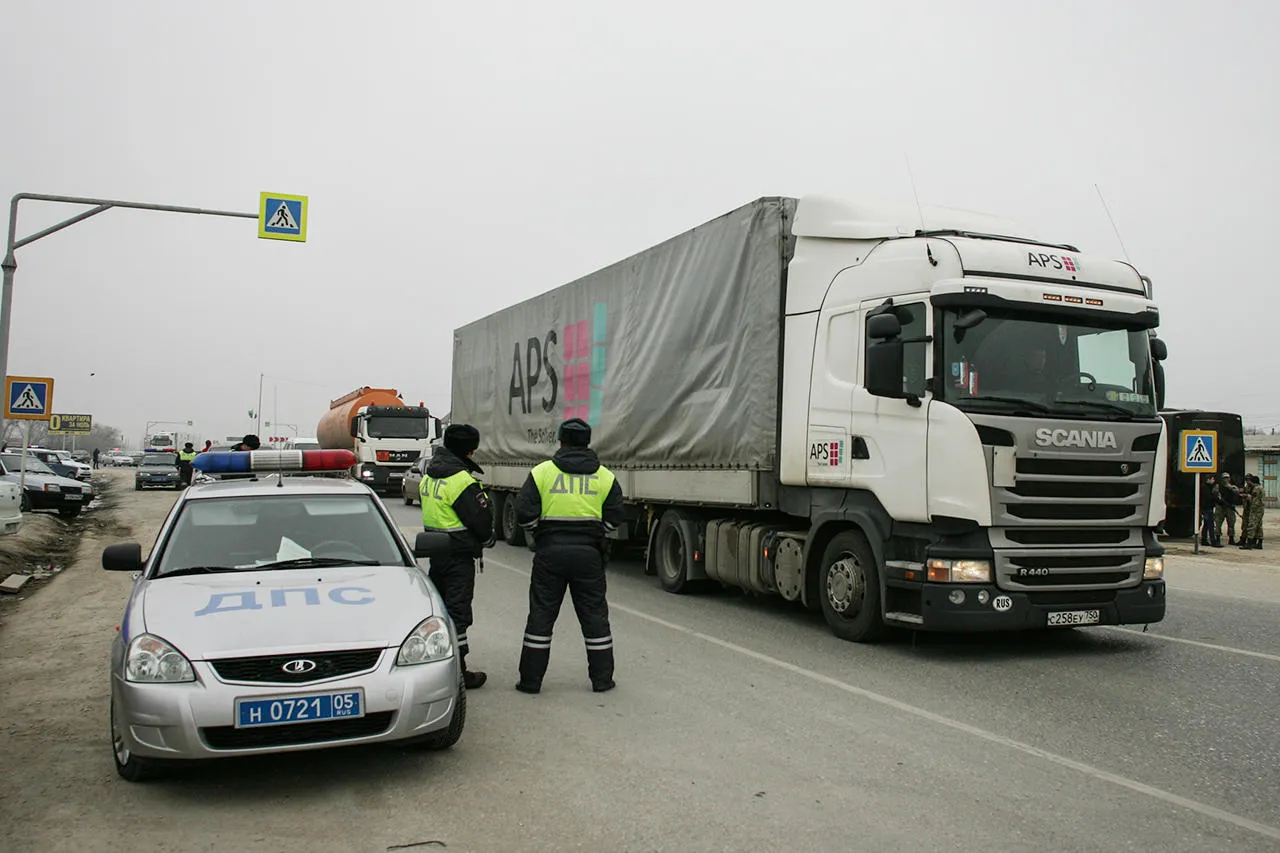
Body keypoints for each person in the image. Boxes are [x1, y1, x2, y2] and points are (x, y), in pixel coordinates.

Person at [514, 417, 624, 694]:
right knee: (594, 616)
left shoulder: (542, 473)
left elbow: (524, 511)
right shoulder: (605, 476)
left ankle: (531, 681)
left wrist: (538, 533)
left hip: (550, 552)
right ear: (588, 442)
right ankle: (602, 680)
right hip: (588, 555)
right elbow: (616, 516)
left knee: (541, 616)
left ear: (561, 441)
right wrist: (598, 535)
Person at [420, 424, 494, 689]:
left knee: (440, 612)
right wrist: (486, 540)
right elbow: (480, 521)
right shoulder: (462, 480)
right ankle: (458, 673)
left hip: (435, 552)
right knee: (458, 615)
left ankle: (437, 666)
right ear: (470, 450)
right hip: (458, 554)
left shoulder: (431, 474)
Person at [1213, 473, 1241, 547]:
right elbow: (1214, 494)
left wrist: (1230, 487)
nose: (1226, 479)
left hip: (1230, 507)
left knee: (1231, 523)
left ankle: (1231, 538)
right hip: (1220, 507)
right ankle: (1217, 538)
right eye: (1224, 478)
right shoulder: (1218, 486)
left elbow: (1237, 493)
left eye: (1227, 478)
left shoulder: (1233, 486)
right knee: (1218, 523)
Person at [1239, 474, 1266, 550]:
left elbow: (1253, 498)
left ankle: (1249, 543)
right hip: (1259, 509)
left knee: (1252, 525)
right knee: (1258, 526)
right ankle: (1259, 543)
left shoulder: (1257, 488)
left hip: (1255, 509)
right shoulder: (1260, 488)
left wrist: (1245, 496)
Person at [1199, 474, 1217, 546]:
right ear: (1208, 479)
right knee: (1210, 525)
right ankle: (1213, 541)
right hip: (1207, 508)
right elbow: (1208, 498)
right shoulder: (1206, 488)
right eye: (1212, 479)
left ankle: (1204, 540)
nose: (1213, 481)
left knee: (1206, 525)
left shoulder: (1207, 487)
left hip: (1207, 508)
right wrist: (1215, 497)